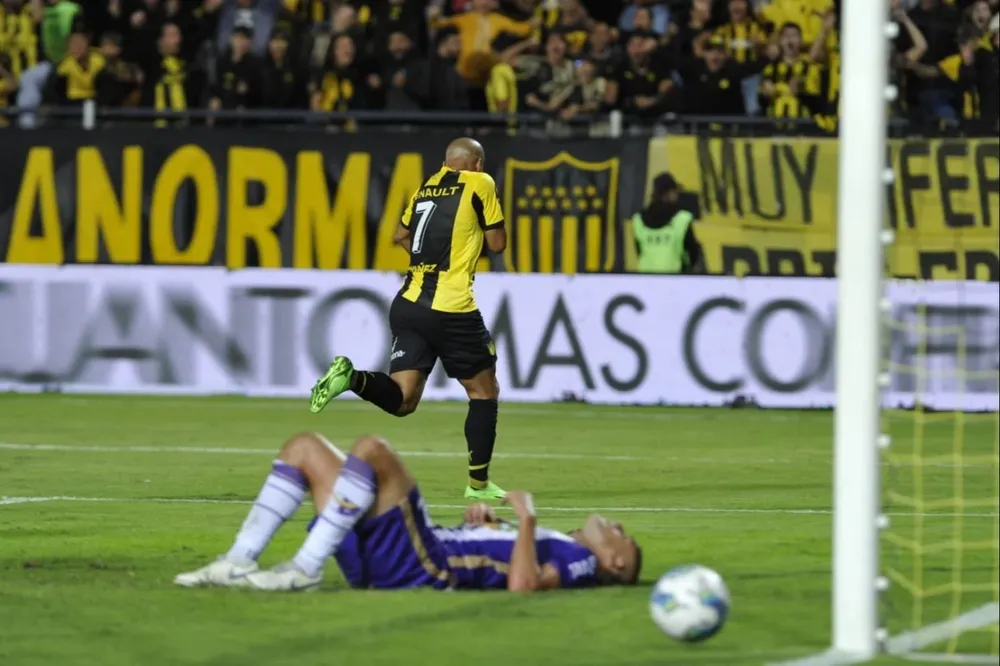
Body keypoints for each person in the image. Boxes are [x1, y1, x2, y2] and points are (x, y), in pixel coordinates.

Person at [174, 431, 643, 592]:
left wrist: (527, 520)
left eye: (624, 536)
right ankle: (237, 560)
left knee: (373, 451)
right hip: (407, 558)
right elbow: (503, 562)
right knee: (303, 448)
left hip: (426, 563)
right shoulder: (568, 548)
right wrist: (487, 525)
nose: (618, 526)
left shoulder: (582, 563)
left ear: (616, 562)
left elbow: (523, 586)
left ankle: (304, 566)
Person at [309, 138, 507, 501]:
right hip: (451, 306)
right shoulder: (481, 183)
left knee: (403, 401)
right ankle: (478, 485)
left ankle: (351, 377)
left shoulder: (425, 188)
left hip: (408, 304)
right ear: (476, 164)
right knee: (483, 391)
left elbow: (400, 235)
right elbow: (497, 244)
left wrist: (425, 259)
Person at [632, 172, 703, 275]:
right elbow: (692, 253)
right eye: (675, 192)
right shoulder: (682, 219)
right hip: (673, 279)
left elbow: (639, 251)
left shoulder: (638, 220)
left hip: (645, 280)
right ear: (669, 193)